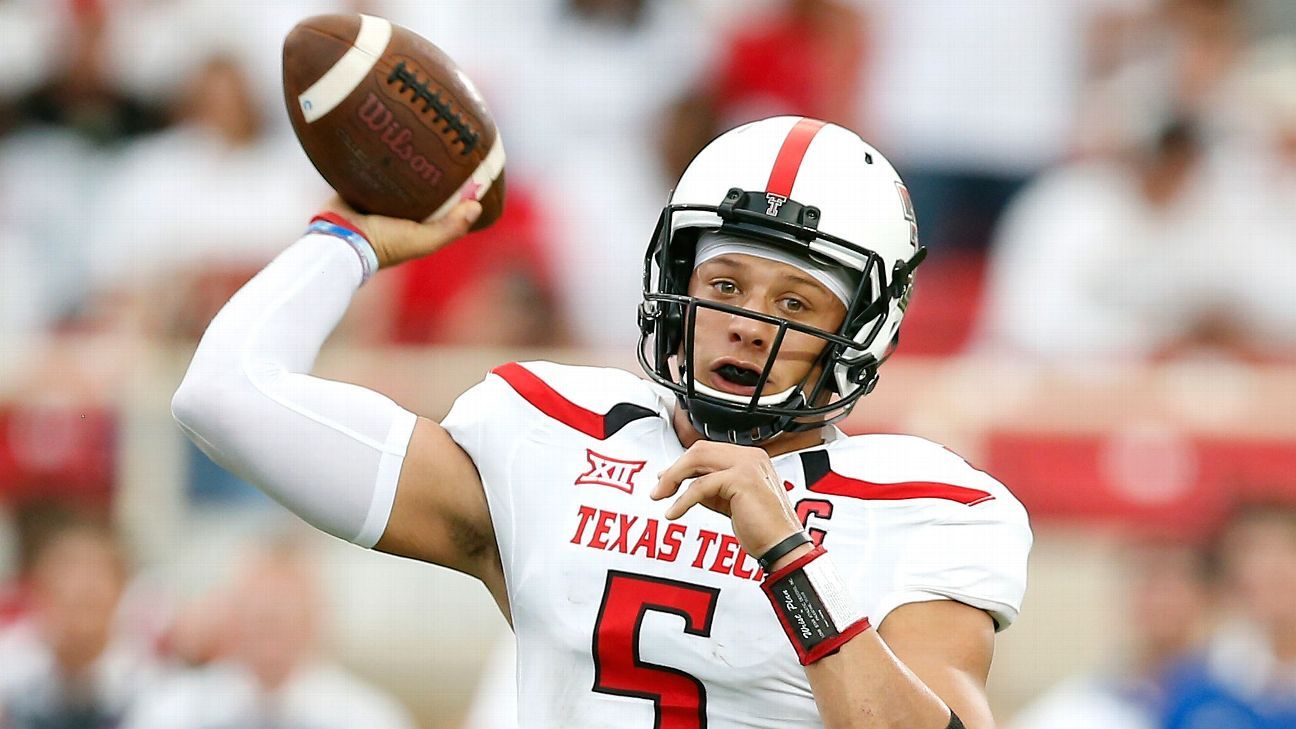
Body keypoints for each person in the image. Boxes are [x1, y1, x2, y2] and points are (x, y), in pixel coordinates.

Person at [172, 115, 1032, 728]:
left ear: (859, 329)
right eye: (725, 285)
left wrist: (788, 557)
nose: (745, 321)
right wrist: (347, 237)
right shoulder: (550, 438)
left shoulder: (931, 508)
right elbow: (226, 396)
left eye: (794, 301)